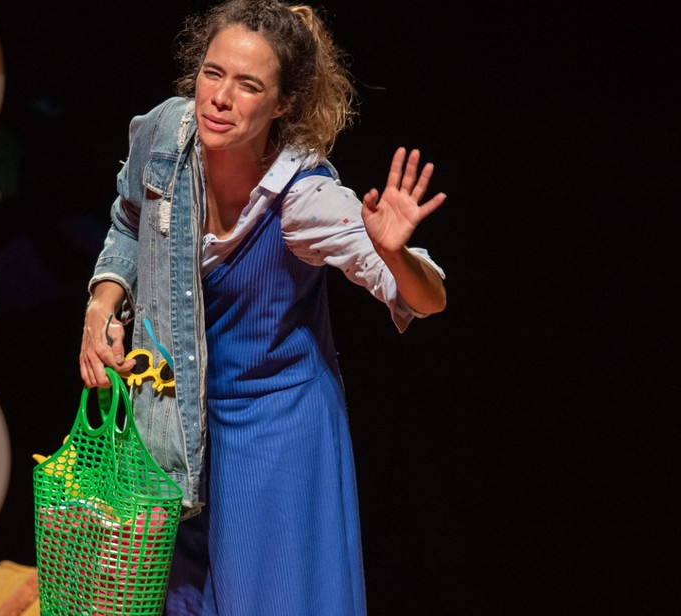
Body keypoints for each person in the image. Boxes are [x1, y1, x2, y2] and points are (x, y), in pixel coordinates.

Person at [78, 0, 446, 613]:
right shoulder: (167, 137)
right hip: (176, 430)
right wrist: (102, 300)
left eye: (248, 85)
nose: (220, 97)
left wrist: (394, 253)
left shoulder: (304, 203)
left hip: (279, 436)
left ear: (283, 105)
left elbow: (426, 300)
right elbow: (129, 222)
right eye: (213, 73)